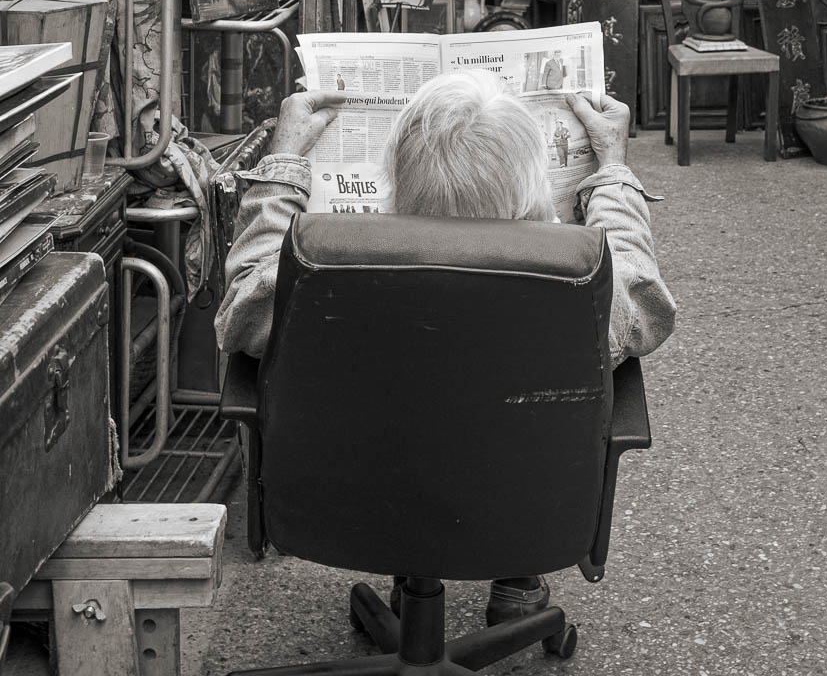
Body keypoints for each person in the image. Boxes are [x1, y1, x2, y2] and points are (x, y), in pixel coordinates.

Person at [217, 69, 674, 627]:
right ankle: (514, 574)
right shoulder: (581, 283)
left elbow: (244, 306)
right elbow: (639, 290)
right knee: (513, 404)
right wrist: (612, 170)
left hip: (353, 504)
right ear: (534, 184)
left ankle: (408, 570)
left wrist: (285, 158)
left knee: (406, 397)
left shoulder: (319, 270)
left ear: (395, 175)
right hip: (519, 507)